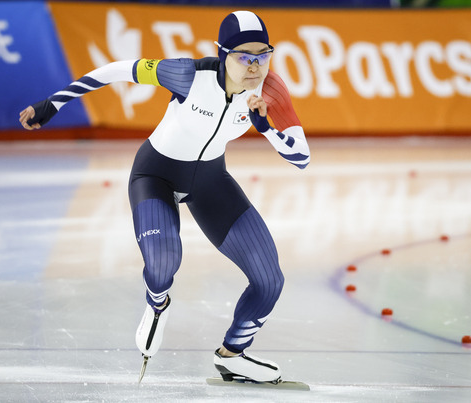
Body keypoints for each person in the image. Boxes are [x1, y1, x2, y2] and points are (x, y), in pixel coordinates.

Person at [19, 10, 310, 383]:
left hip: (210, 182)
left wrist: (267, 128)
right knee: (164, 264)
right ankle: (158, 302)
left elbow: (301, 157)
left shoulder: (271, 90)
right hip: (155, 175)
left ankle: (233, 355)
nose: (255, 66)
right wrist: (54, 103)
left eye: (263, 55)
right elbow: (117, 70)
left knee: (270, 280)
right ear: (222, 54)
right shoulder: (189, 75)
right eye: (244, 56)